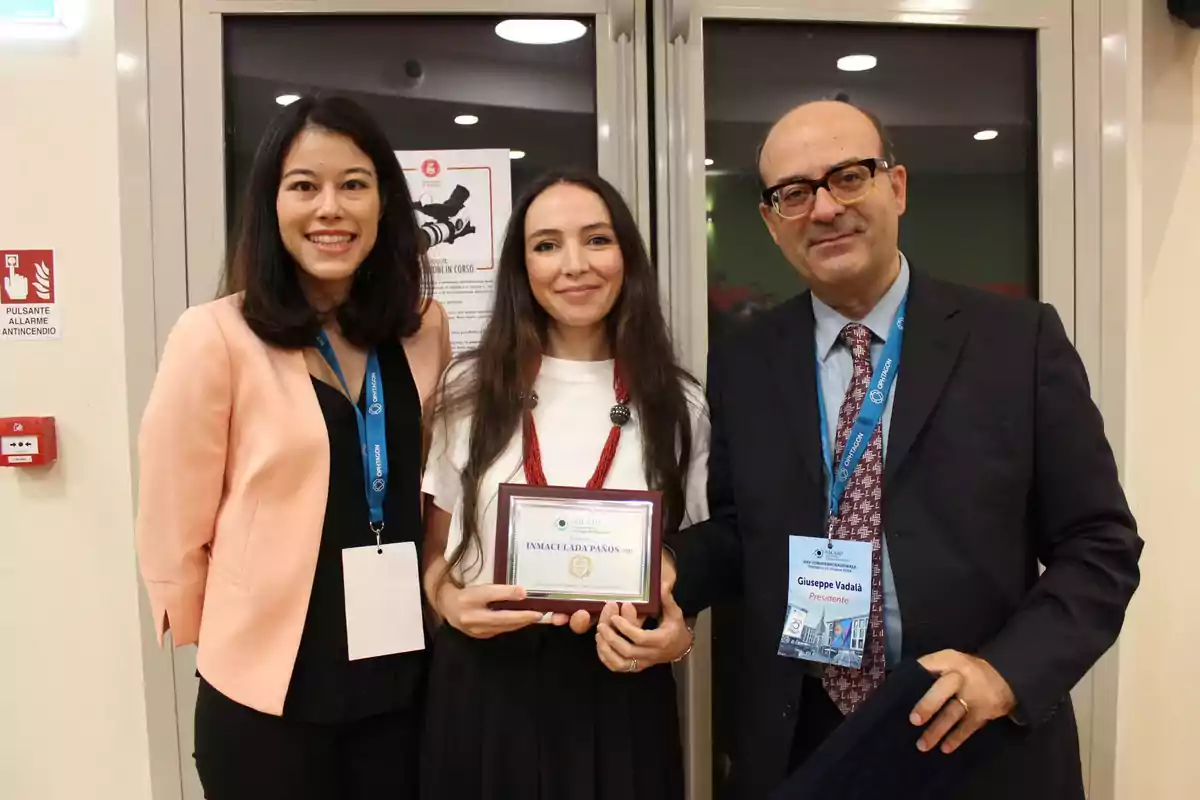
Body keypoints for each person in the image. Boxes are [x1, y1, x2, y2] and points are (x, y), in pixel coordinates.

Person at [663, 99, 1143, 800]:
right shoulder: (745, 359)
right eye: (794, 193)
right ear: (771, 220)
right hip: (804, 743)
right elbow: (744, 531)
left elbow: (1100, 546)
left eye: (848, 177)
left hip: (974, 735)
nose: (824, 209)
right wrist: (668, 568)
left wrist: (1004, 675)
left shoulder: (1017, 342)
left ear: (897, 187)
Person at [135, 96, 450, 800]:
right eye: (304, 185)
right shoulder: (214, 334)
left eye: (354, 185)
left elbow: (431, 483)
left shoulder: (424, 327)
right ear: (271, 204)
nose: (330, 208)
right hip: (267, 687)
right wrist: (219, 631)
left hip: (400, 673)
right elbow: (170, 517)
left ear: (385, 203)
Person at [420, 170, 708, 800]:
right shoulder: (465, 391)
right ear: (521, 267)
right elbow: (435, 555)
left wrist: (678, 639)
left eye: (596, 239)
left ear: (626, 255)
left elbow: (688, 561)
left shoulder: (678, 403)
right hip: (487, 684)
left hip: (619, 685)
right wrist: (446, 602)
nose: (574, 265)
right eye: (546, 245)